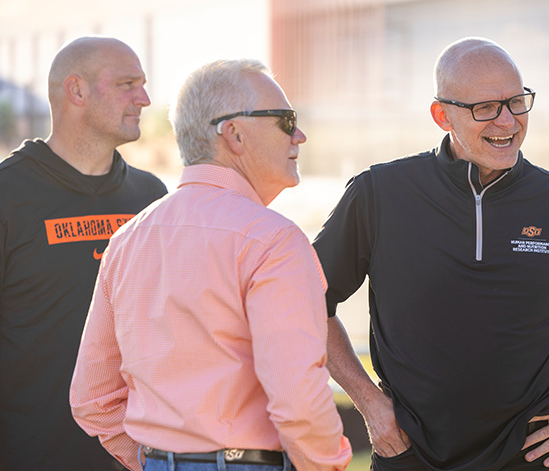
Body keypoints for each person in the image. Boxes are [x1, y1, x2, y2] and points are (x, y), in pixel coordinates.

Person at [313, 37, 549, 471]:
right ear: (442, 116)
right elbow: (305, 301)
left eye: (517, 102)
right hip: (411, 456)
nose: (508, 121)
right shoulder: (379, 195)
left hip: (535, 458)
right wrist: (369, 403)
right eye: (485, 108)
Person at [69, 59, 352, 471]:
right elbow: (298, 397)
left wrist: (157, 459)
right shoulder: (273, 241)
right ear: (234, 133)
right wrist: (328, 464)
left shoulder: (126, 241)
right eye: (286, 121)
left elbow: (92, 399)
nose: (300, 135)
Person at [0, 36, 167, 471]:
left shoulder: (151, 197)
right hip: (22, 458)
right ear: (76, 91)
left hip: (133, 460)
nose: (145, 99)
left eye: (144, 84)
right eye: (127, 84)